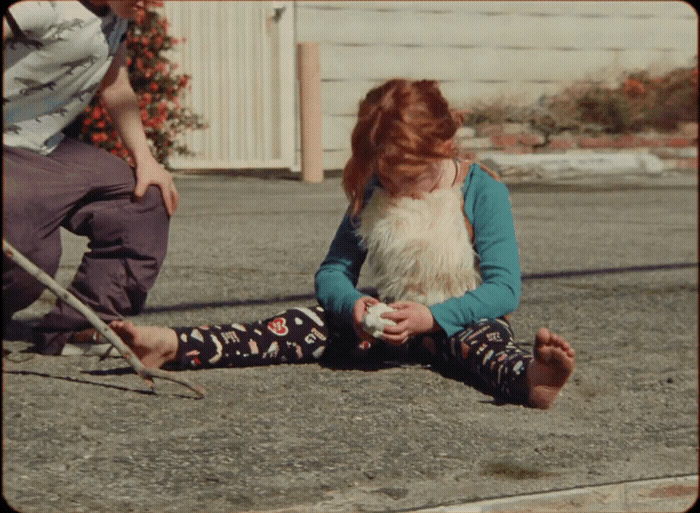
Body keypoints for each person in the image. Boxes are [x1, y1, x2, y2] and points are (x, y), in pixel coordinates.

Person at [109, 79, 575, 409]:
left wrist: (433, 317)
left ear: (446, 146)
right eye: (387, 177)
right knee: (291, 325)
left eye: (411, 177)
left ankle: (533, 380)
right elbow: (333, 271)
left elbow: (503, 289)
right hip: (386, 324)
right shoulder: (374, 191)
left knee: (488, 344)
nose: (399, 188)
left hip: (454, 325)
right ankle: (173, 345)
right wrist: (352, 306)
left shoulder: (481, 190)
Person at [2, 0, 178, 355]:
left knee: (141, 198)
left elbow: (115, 88)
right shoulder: (45, 8)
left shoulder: (116, 20)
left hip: (45, 147)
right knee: (31, 250)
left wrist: (146, 160)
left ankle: (80, 327)